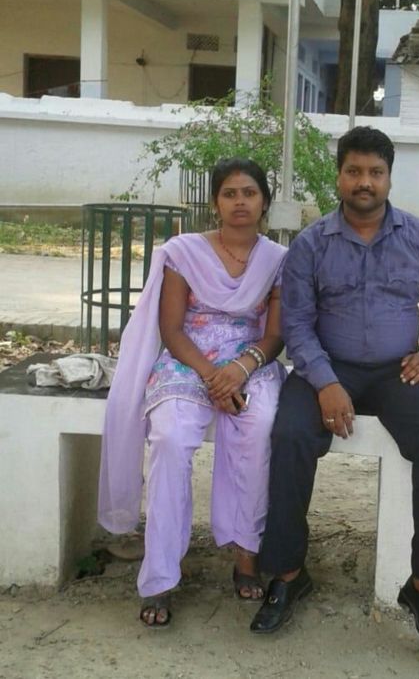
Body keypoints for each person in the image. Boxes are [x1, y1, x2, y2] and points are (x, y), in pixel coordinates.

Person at [250, 126, 419, 649]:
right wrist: (326, 382)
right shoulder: (310, 244)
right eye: (354, 171)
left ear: (389, 178)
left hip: (399, 372)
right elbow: (297, 324)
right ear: (339, 177)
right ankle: (287, 575)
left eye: (375, 172)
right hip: (327, 367)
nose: (364, 182)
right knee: (290, 436)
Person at [98, 157, 287, 627]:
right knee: (170, 437)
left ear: (265, 201)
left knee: (259, 427)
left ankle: (245, 552)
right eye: (229, 193)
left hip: (250, 363)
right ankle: (160, 576)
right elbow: (172, 329)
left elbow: (275, 335)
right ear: (214, 203)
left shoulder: (278, 260)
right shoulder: (183, 252)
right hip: (189, 360)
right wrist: (211, 376)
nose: (239, 202)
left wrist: (240, 369)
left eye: (249, 193)